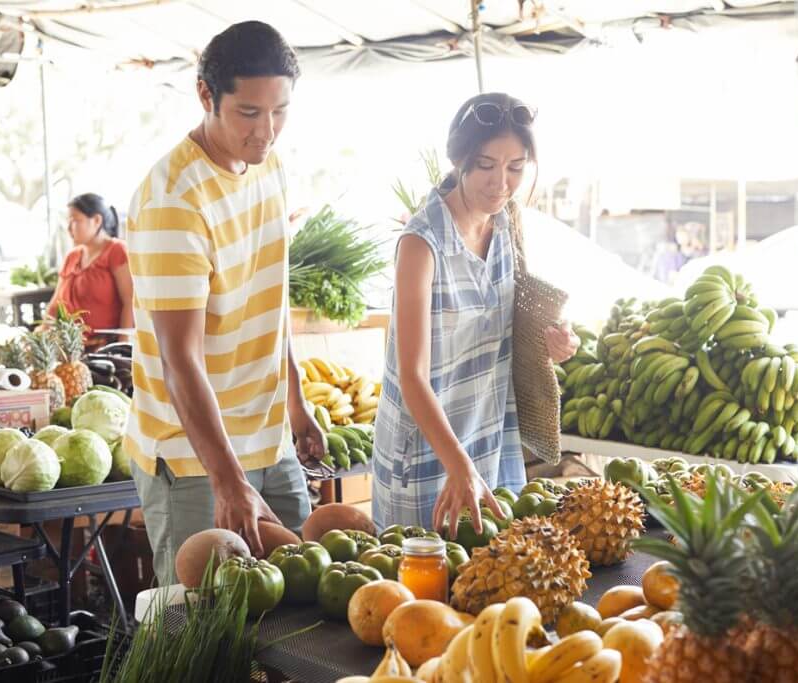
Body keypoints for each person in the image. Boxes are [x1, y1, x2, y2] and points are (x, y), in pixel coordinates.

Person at [123, 21, 325, 581]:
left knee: (299, 607)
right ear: (206, 96)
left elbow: (270, 292)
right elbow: (178, 358)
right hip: (195, 459)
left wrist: (295, 398)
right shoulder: (174, 201)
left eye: (279, 111)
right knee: (200, 634)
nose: (266, 132)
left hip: (267, 437)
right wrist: (225, 477)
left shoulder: (270, 167)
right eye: (249, 113)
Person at [371, 93, 580, 536]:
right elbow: (411, 376)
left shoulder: (506, 226)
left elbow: (508, 323)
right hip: (429, 454)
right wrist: (457, 465)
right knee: (420, 592)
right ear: (459, 158)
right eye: (486, 164)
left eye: (515, 167)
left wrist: (555, 341)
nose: (500, 182)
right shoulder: (421, 245)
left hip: (490, 441)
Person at [45, 193, 133, 345]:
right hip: (69, 347)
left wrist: (123, 346)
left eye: (75, 221)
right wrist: (42, 331)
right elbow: (55, 305)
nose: (69, 228)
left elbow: (130, 302)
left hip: (105, 348)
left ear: (97, 221)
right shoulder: (72, 257)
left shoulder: (116, 250)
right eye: (68, 221)